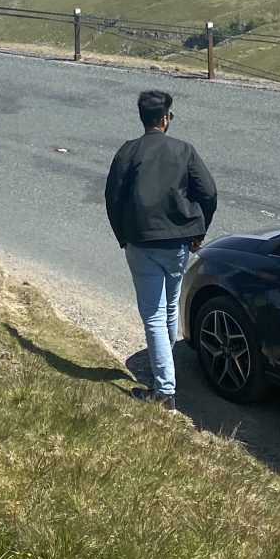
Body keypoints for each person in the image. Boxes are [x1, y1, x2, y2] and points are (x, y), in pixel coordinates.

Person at [104, 89, 218, 411]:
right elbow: (208, 192)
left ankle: (164, 388)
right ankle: (163, 374)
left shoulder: (128, 152)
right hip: (179, 243)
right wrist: (199, 231)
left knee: (154, 313)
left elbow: (112, 198)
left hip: (141, 243)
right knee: (168, 307)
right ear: (165, 119)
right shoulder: (184, 151)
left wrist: (123, 236)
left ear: (143, 118)